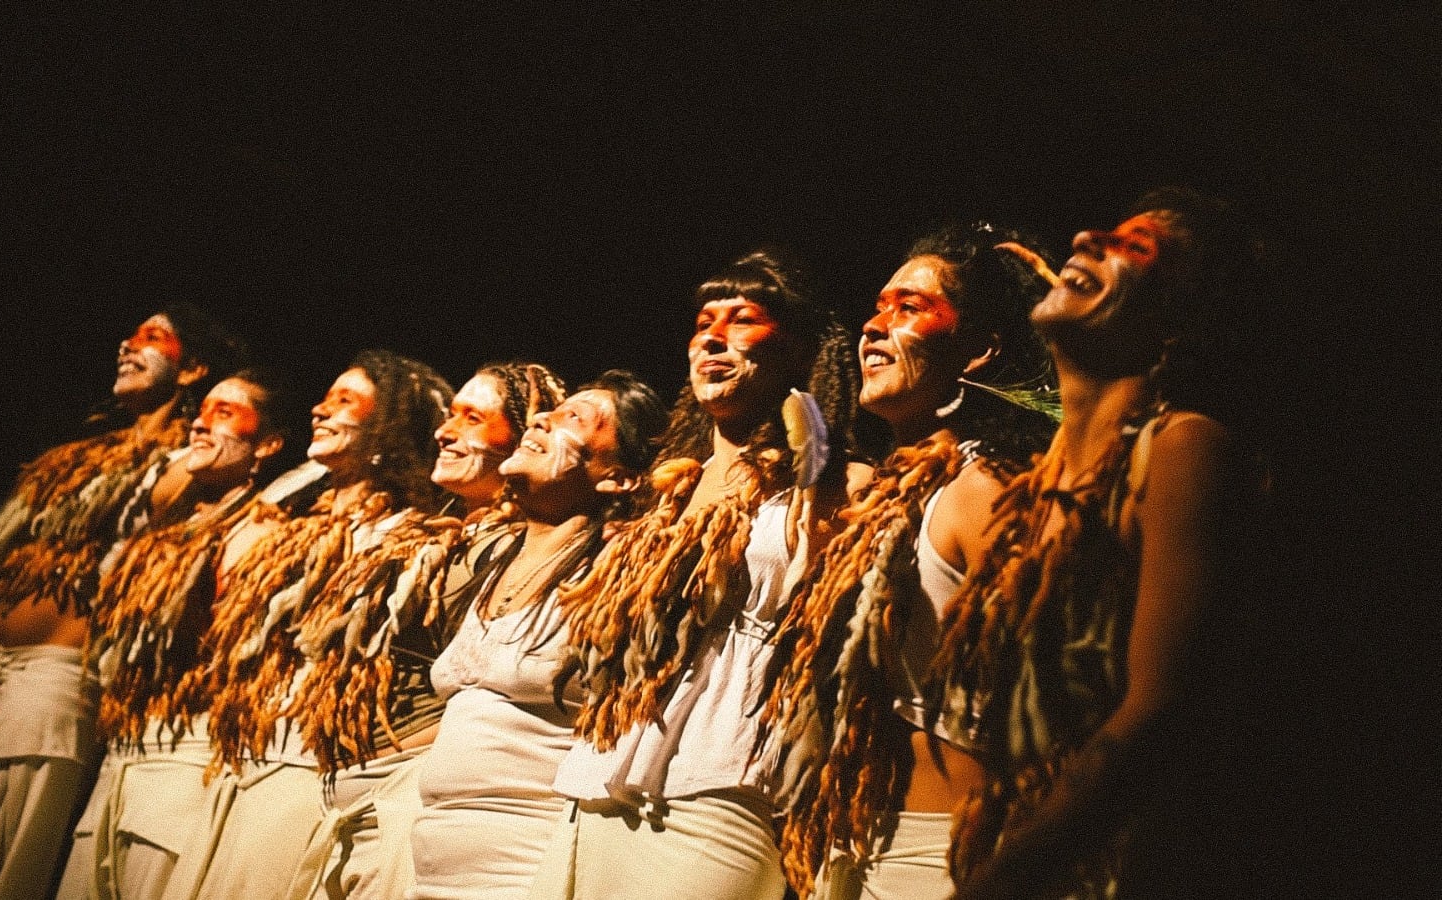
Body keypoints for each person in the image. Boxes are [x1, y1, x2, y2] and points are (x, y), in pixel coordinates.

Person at [923, 189, 1268, 899]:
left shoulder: (1183, 449)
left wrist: (1008, 879)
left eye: (1135, 249)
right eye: (1104, 231)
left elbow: (1159, 710)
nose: (1085, 235)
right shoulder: (1035, 490)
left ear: (1177, 320)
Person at [0, 305, 243, 900]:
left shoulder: (192, 466)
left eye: (152, 337)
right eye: (130, 332)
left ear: (194, 371)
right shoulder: (75, 461)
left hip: (53, 682)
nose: (127, 343)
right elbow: (3, 572)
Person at [530, 250, 868, 900]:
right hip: (599, 779)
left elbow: (833, 645)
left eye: (742, 320)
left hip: (723, 782)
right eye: (704, 320)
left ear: (800, 354)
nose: (713, 334)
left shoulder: (836, 486)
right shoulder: (668, 492)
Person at [760, 223, 1057, 899]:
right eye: (878, 304)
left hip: (941, 852)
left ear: (980, 350)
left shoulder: (986, 490)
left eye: (909, 307)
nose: (874, 325)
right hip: (850, 838)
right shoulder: (882, 494)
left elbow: (1055, 694)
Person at [158, 350, 453, 900]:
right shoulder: (283, 528)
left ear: (389, 425)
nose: (320, 409)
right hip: (237, 753)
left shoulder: (407, 537)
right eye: (326, 396)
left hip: (304, 766)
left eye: (346, 401)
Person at [282, 361, 567, 900]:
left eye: (473, 417)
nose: (445, 430)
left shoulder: (513, 550)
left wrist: (411, 764)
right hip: (347, 792)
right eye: (449, 414)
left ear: (522, 434)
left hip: (407, 794)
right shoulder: (434, 535)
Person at [406, 371, 667, 899]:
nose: (543, 419)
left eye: (575, 418)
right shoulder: (494, 561)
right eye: (552, 411)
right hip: (429, 858)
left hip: (520, 861)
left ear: (617, 477)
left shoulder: (616, 567)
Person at [55, 367, 295, 900]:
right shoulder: (170, 524)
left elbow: (233, 654)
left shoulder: (261, 530)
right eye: (201, 411)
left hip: (185, 755)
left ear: (269, 443)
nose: (201, 425)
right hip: (123, 748)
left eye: (225, 414)